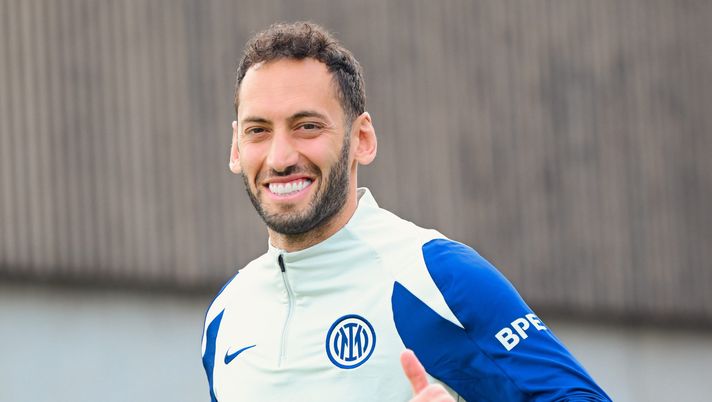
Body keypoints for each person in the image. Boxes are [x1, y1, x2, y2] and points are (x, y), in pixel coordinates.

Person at [201, 21, 610, 402]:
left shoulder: (435, 275)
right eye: (258, 130)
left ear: (362, 139)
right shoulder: (226, 315)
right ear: (236, 148)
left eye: (307, 126)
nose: (280, 157)